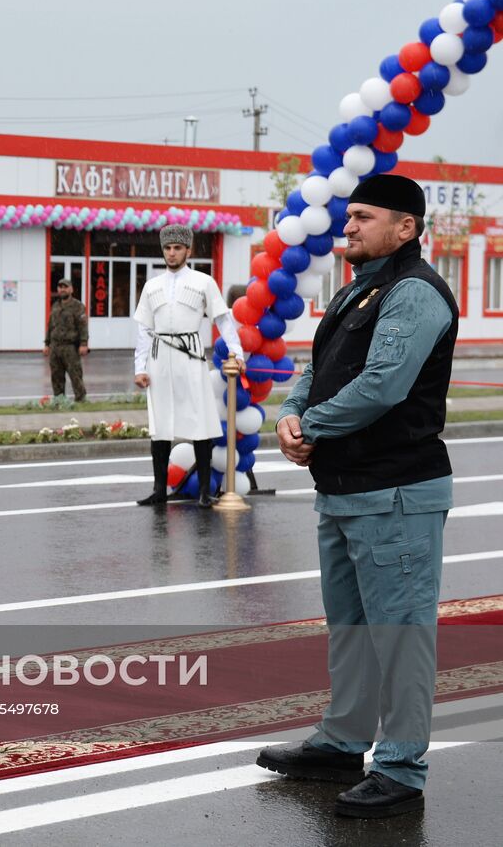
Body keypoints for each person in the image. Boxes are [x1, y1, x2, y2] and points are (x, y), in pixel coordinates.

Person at [256, 174, 456, 819]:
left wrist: (309, 428)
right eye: (350, 216)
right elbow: (316, 368)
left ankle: (400, 768)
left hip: (397, 492)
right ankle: (342, 744)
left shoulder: (415, 293)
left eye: (364, 217)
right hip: (344, 490)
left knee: (399, 635)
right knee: (350, 631)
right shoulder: (356, 290)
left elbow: (382, 385)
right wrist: (289, 417)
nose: (349, 226)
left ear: (405, 228)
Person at [132, 225, 243, 508]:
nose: (172, 253)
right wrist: (139, 367)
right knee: (160, 425)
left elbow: (222, 319)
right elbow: (143, 329)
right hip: (159, 358)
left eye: (177, 248)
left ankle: (206, 490)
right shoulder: (152, 285)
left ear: (188, 250)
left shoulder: (203, 282)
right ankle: (159, 489)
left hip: (190, 354)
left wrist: (236, 351)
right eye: (168, 248)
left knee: (199, 421)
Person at [43, 278, 89, 401]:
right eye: (60, 287)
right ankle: (60, 401)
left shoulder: (78, 306)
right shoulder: (56, 306)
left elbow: (83, 326)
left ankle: (81, 400)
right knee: (56, 376)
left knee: (75, 375)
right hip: (55, 347)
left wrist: (84, 343)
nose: (62, 289)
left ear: (71, 289)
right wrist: (47, 344)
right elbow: (50, 326)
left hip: (70, 347)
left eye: (65, 287)